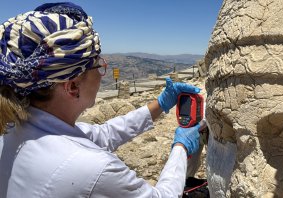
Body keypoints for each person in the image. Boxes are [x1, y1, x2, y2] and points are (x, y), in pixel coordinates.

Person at [0, 2, 202, 197]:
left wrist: (160, 104)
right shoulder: (94, 168)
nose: (102, 69)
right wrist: (181, 147)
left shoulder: (14, 130)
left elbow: (103, 134)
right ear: (72, 86)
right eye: (98, 64)